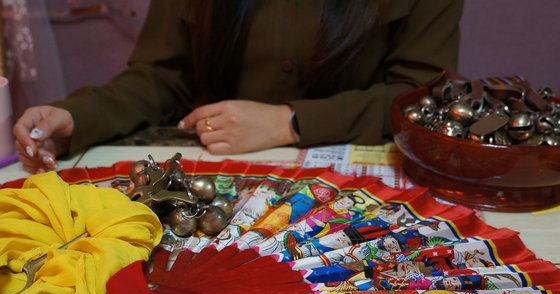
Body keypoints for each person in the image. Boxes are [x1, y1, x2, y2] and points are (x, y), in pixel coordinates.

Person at [12, 0, 463, 173]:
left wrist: (289, 121)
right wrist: (78, 117)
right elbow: (161, 76)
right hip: (221, 171)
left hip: (362, 178)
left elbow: (422, 96)